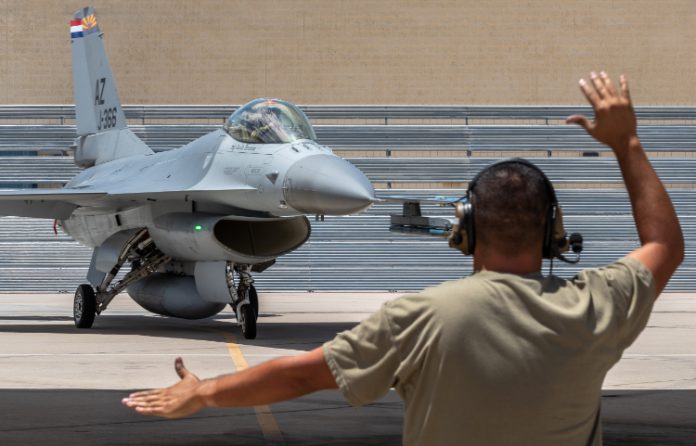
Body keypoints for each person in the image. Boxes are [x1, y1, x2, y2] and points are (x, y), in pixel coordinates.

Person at [122, 72, 684, 445]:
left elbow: (297, 378)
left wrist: (202, 392)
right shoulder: (598, 305)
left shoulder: (421, 317)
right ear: (555, 233)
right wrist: (627, 143)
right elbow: (664, 247)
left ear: (462, 229)